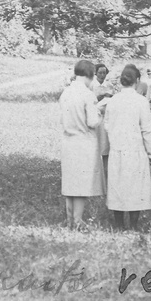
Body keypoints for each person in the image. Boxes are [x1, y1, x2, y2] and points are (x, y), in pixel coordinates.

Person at [104, 64, 151, 231]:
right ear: (137, 81)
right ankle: (132, 225)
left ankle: (119, 224)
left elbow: (107, 125)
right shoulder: (141, 101)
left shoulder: (113, 101)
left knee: (117, 184)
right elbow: (147, 128)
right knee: (135, 185)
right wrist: (150, 150)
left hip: (118, 147)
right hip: (135, 149)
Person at [58, 59, 104, 230]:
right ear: (90, 75)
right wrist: (100, 112)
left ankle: (70, 218)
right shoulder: (87, 94)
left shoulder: (66, 93)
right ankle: (77, 220)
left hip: (68, 140)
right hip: (84, 141)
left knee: (70, 182)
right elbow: (92, 122)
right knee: (81, 184)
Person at [92, 63, 114, 176]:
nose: (102, 75)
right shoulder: (91, 85)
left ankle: (106, 171)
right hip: (95, 117)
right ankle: (95, 171)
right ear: (95, 73)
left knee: (105, 144)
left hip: (106, 117)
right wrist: (99, 97)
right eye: (100, 72)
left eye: (104, 73)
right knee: (95, 144)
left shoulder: (109, 86)